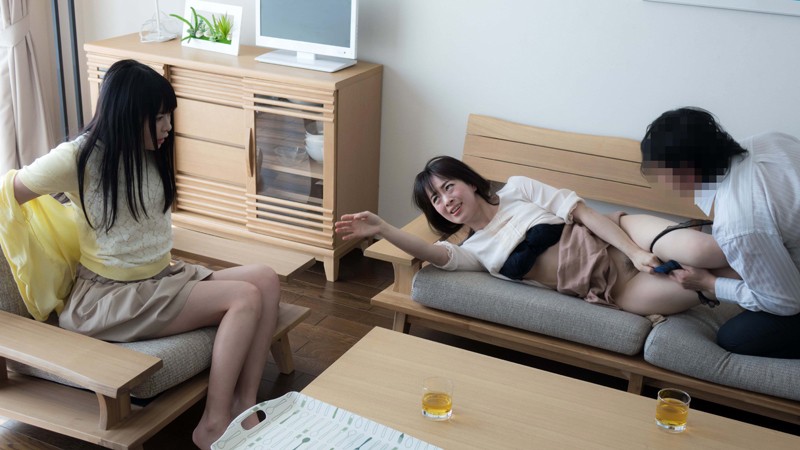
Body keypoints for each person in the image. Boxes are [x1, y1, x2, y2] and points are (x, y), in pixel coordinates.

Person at [10, 60, 280, 449]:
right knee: (244, 297)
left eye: (169, 116)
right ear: (126, 114)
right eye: (158, 118)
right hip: (109, 298)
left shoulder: (147, 148)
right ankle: (213, 423)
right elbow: (11, 191)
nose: (168, 126)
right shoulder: (78, 157)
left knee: (266, 279)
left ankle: (244, 404)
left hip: (158, 280)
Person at [336, 156, 733, 317]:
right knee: (718, 282)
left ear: (470, 182)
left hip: (622, 236)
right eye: (436, 200)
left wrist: (635, 251)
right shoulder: (473, 250)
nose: (446, 200)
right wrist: (383, 228)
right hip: (615, 289)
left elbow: (583, 213)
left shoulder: (518, 189)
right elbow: (433, 254)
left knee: (706, 252)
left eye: (448, 186)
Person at [640, 107, 800, 358]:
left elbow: (786, 302)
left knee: (734, 338)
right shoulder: (771, 140)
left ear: (686, 171)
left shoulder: (737, 224)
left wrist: (710, 284)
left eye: (663, 174)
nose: (663, 183)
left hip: (790, 296)